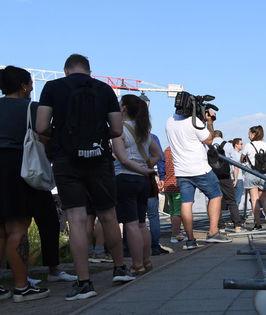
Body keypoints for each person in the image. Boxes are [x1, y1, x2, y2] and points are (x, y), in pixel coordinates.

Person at [36, 54, 135, 300]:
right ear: (90, 71)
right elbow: (117, 129)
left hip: (66, 158)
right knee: (108, 216)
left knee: (77, 220)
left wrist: (60, 136)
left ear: (66, 70)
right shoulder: (104, 89)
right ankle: (120, 269)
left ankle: (84, 283)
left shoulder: (52, 87)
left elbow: (40, 127)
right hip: (99, 157)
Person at [0, 65, 52, 302]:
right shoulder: (33, 108)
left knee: (0, 229)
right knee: (18, 227)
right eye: (30, 83)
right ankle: (22, 287)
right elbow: (44, 136)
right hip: (16, 166)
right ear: (23, 85)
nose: (32, 88)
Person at [164, 93, 232, 248]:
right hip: (200, 169)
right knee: (216, 196)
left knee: (186, 203)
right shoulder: (194, 122)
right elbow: (209, 139)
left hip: (181, 171)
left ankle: (190, 239)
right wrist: (209, 121)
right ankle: (213, 232)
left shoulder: (169, 122)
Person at [112, 94, 162, 275]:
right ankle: (146, 261)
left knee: (130, 224)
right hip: (143, 182)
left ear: (124, 108)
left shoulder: (119, 131)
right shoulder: (145, 131)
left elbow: (123, 160)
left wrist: (142, 170)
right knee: (142, 223)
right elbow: (157, 155)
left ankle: (137, 264)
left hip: (126, 179)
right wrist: (146, 167)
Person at [240, 125, 266, 230]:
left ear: (254, 134)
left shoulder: (248, 146)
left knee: (254, 200)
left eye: (249, 133)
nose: (248, 136)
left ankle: (258, 224)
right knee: (264, 200)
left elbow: (242, 158)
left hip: (252, 173)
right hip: (264, 174)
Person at [212, 130, 244, 233]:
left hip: (213, 175)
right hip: (225, 175)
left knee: (216, 201)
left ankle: (220, 226)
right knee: (231, 200)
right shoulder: (227, 145)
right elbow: (234, 162)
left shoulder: (209, 145)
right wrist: (235, 178)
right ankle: (237, 225)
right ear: (222, 137)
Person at [148, 133, 169, 256]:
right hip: (148, 177)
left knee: (132, 218)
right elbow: (160, 157)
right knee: (153, 216)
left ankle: (128, 247)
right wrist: (162, 176)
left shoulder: (123, 133)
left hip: (128, 176)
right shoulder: (151, 137)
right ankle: (154, 246)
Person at [163, 147, 187, 244]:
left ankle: (176, 232)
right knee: (178, 212)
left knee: (172, 211)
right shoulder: (180, 150)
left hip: (168, 185)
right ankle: (175, 235)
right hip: (177, 185)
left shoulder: (166, 150)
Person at [230, 138, 245, 209]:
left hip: (230, 178)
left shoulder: (230, 155)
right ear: (236, 145)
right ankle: (235, 217)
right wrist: (236, 179)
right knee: (237, 200)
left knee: (231, 201)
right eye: (241, 144)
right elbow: (237, 167)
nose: (242, 145)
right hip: (238, 179)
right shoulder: (238, 155)